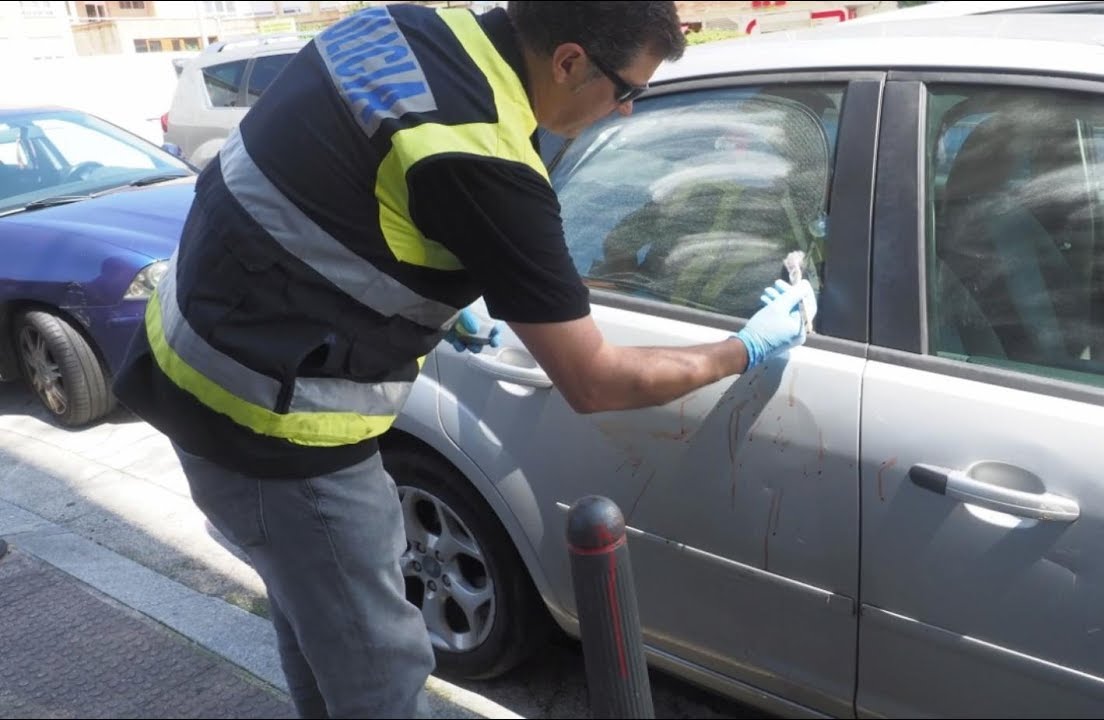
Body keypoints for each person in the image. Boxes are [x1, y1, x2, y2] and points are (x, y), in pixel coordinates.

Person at [111, 2, 816, 717]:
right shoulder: (486, 161)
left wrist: (433, 296)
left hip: (191, 357)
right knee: (378, 671)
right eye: (626, 89)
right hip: (271, 427)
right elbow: (596, 380)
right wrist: (742, 347)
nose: (627, 111)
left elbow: (335, 181)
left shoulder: (399, 25)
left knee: (316, 622)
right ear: (569, 61)